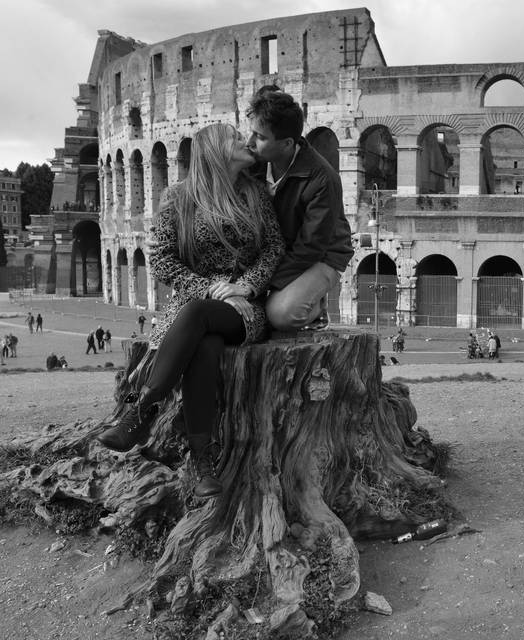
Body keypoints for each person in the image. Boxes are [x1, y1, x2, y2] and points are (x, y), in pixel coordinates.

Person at [95, 123, 284, 500]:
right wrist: (210, 289)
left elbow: (274, 248)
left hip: (243, 308)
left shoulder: (255, 193)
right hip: (194, 305)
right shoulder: (178, 197)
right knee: (205, 345)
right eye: (235, 138)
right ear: (215, 150)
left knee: (203, 317)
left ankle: (142, 410)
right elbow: (161, 260)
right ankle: (202, 464)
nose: (246, 140)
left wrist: (244, 286)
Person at [245, 86, 354, 332]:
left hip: (323, 256)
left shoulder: (322, 178)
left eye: (260, 137)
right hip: (277, 255)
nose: (250, 142)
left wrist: (258, 283)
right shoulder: (255, 164)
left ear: (286, 143)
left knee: (281, 314)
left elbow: (311, 247)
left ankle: (316, 309)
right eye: (251, 133)